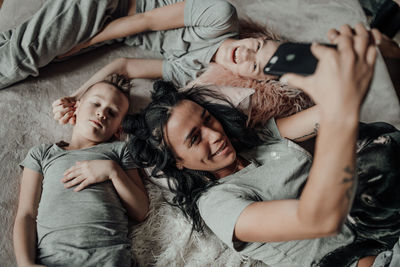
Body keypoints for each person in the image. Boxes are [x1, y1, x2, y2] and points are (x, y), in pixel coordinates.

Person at [120, 24, 400, 267]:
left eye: (208, 119)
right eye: (195, 138)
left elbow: (328, 114)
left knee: (380, 139)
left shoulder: (259, 139)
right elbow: (318, 219)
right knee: (377, 156)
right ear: (177, 162)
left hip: (385, 220)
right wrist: (343, 108)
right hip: (368, 257)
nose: (214, 135)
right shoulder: (217, 204)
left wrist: (374, 60)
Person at [13, 74, 149, 266]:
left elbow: (141, 211)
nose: (102, 114)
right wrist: (25, 263)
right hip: (54, 260)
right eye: (96, 104)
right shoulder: (42, 154)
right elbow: (26, 214)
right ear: (76, 106)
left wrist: (113, 171)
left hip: (109, 259)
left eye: (112, 113)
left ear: (118, 129)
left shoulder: (119, 151)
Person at [0, 0, 281, 90]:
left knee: (24, 45)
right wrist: (83, 42)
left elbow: (126, 66)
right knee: (23, 57)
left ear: (248, 79)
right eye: (256, 46)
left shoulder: (195, 72)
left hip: (112, 23)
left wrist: (79, 94)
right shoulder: (221, 15)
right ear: (255, 36)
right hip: (116, 5)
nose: (245, 53)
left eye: (253, 65)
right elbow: (146, 21)